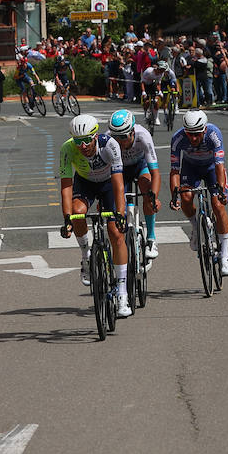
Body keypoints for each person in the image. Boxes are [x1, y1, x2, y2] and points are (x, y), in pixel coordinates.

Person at [57, 114, 130, 319]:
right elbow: (66, 186)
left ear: (95, 136)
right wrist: (67, 218)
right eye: (78, 141)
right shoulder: (67, 149)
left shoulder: (110, 145)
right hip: (85, 183)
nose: (82, 146)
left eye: (87, 140)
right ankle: (86, 256)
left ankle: (122, 292)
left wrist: (120, 213)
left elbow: (119, 184)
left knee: (115, 232)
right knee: (77, 213)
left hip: (109, 184)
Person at [169, 109, 228, 277]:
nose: (193, 138)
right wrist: (174, 195)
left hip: (212, 167)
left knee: (218, 205)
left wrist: (221, 190)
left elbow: (220, 165)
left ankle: (225, 256)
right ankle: (195, 227)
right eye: (189, 134)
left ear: (204, 130)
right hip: (190, 168)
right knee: (185, 197)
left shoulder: (214, 134)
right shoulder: (178, 138)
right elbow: (174, 171)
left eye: (197, 134)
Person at [107, 109, 161, 258]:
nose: (120, 142)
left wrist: (153, 197)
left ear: (132, 132)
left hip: (140, 166)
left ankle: (151, 238)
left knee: (146, 189)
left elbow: (155, 173)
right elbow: (105, 174)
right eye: (115, 137)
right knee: (117, 204)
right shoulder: (107, 139)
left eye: (123, 137)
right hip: (119, 170)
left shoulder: (143, 136)